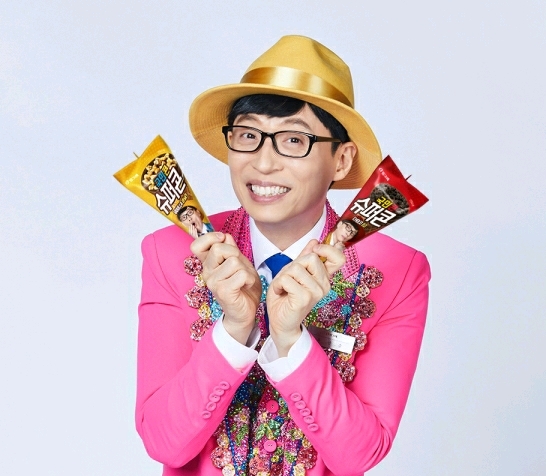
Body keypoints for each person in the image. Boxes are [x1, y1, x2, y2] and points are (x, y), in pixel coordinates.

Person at [136, 35, 430, 476]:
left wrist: (292, 341)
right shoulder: (171, 251)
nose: (263, 163)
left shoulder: (398, 271)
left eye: (294, 140)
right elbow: (164, 443)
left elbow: (359, 456)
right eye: (248, 135)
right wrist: (234, 330)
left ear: (341, 159)